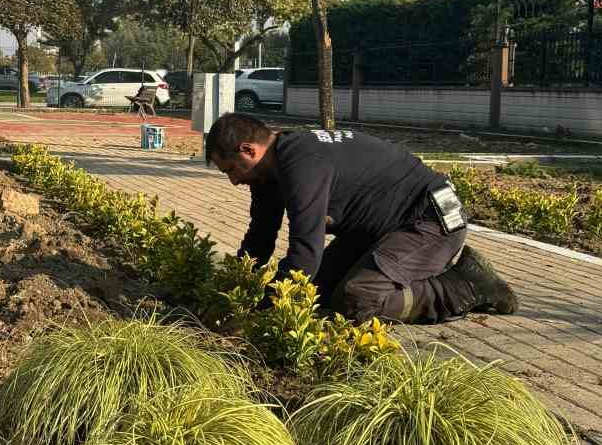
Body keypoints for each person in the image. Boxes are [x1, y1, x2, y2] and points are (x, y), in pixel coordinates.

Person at [205, 111, 517, 324]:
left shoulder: (300, 162)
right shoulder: (266, 174)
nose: (234, 180)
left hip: (430, 220)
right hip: (382, 228)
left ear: (248, 149)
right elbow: (261, 236)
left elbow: (305, 254)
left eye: (231, 170)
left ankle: (467, 285)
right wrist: (231, 290)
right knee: (319, 293)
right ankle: (403, 272)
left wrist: (264, 311)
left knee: (357, 299)